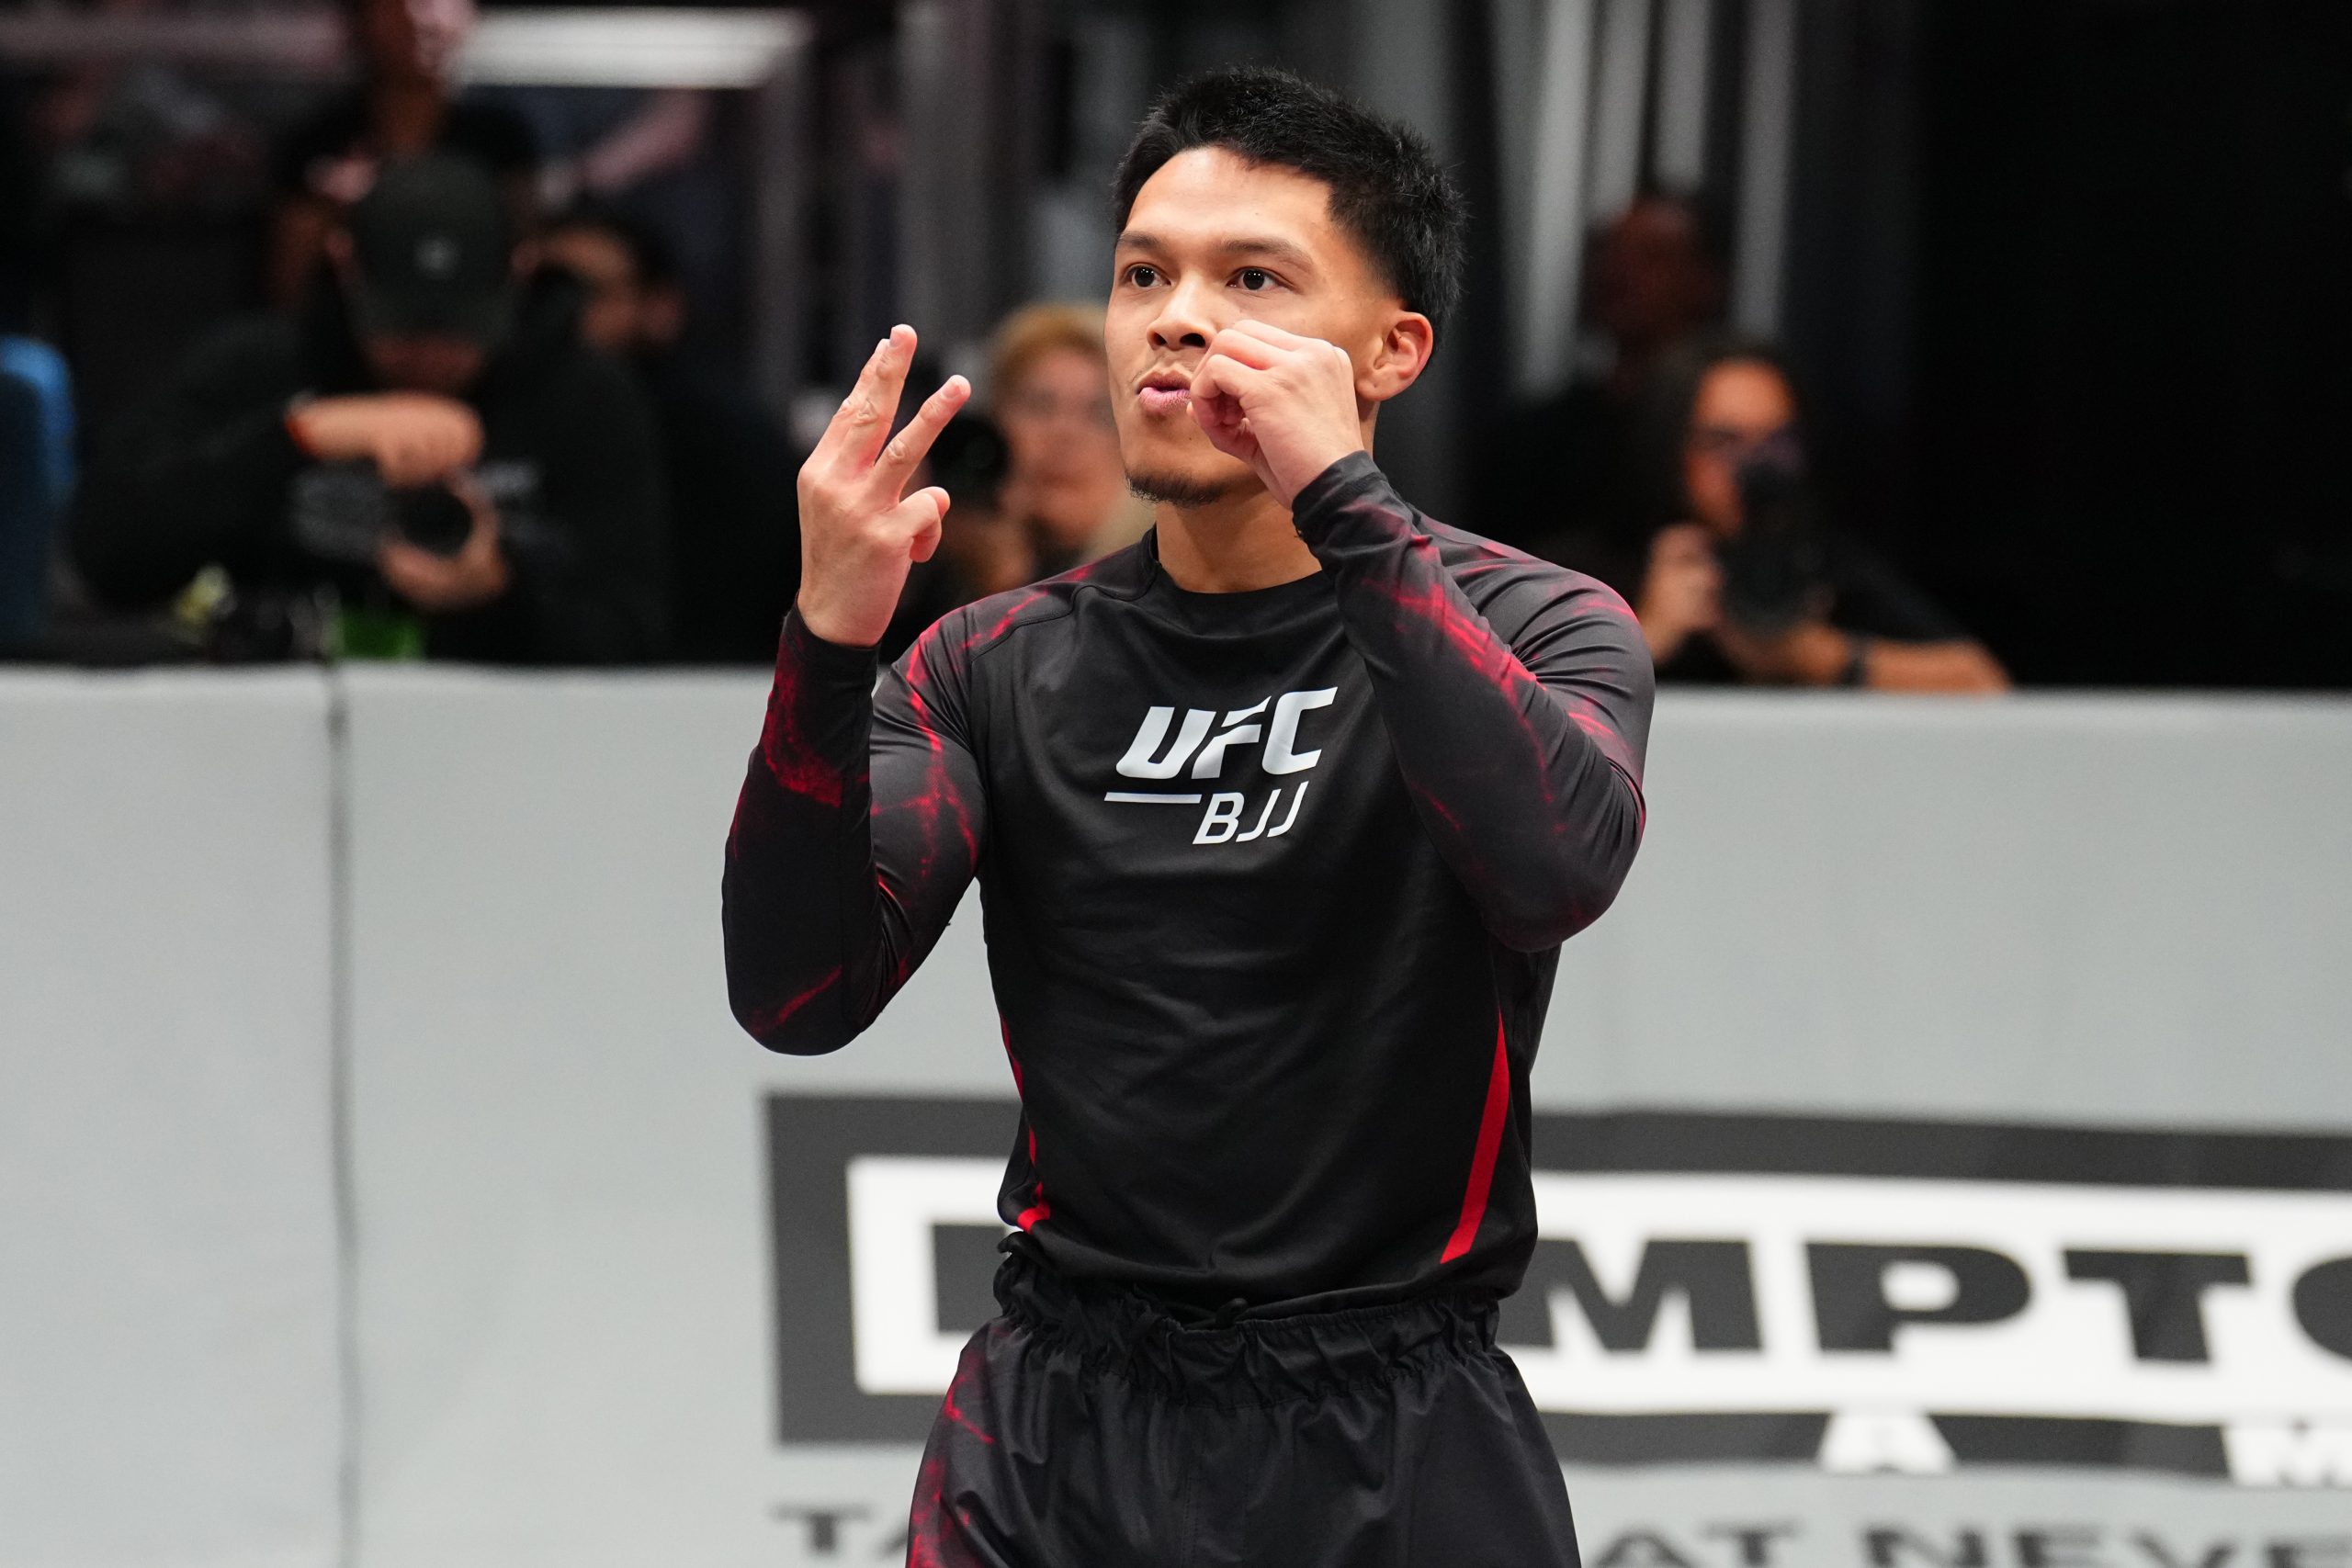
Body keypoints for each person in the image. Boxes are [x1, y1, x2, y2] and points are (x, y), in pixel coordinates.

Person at [724, 67, 1651, 1567]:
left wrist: (1343, 498)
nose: (1176, 314)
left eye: (1252, 278)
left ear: (1392, 349)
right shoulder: (990, 662)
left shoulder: (1537, 626)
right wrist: (830, 644)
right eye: (1145, 272)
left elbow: (1551, 868)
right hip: (1053, 1436)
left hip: (1394, 1437)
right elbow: (797, 990)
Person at [73, 153, 665, 664]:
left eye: (460, 330)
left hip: (511, 743)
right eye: (401, 327)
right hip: (271, 728)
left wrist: (497, 594)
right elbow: (107, 558)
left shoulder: (581, 395)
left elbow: (637, 632)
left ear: (519, 274)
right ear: (348, 268)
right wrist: (298, 437)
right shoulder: (261, 369)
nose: (429, 356)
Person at [1630, 337, 2008, 691]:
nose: (1756, 468)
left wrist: (1814, 656)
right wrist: (1645, 639)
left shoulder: (1816, 559)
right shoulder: (1612, 563)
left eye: (1779, 443)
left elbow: (1984, 684)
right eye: (1723, 443)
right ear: (1670, 451)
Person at [538, 202, 799, 663]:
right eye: (547, 288)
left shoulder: (728, 442)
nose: (563, 310)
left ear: (661, 308)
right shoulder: (511, 408)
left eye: (589, 292)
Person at [1478, 189, 1728, 564]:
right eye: (1608, 252)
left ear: (1705, 281)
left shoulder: (1734, 429)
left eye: (1652, 256)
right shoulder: (1535, 442)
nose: (1618, 271)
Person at [268, 0, 537, 310]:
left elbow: (525, 256)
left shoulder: (500, 138)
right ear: (360, 20)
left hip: (468, 329)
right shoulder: (317, 143)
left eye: (435, 1)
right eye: (396, 4)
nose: (418, 18)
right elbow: (286, 290)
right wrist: (333, 213)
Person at [987, 302, 1154, 576]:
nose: (1064, 433)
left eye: (1100, 413)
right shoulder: (949, 567)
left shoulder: (1165, 583)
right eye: (1039, 406)